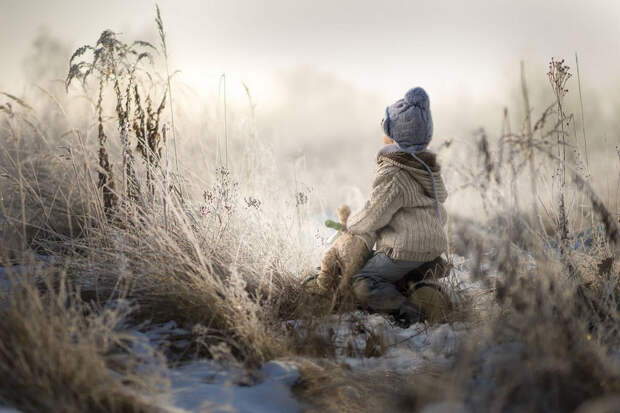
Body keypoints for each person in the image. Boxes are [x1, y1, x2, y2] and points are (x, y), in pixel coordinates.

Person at [346, 87, 448, 323]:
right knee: (399, 272)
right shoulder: (427, 169)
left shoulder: (394, 173)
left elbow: (374, 215)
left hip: (405, 250)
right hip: (432, 248)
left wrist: (351, 223)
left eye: (386, 130)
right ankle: (423, 288)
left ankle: (406, 310)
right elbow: (439, 213)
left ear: (393, 137)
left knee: (362, 281)